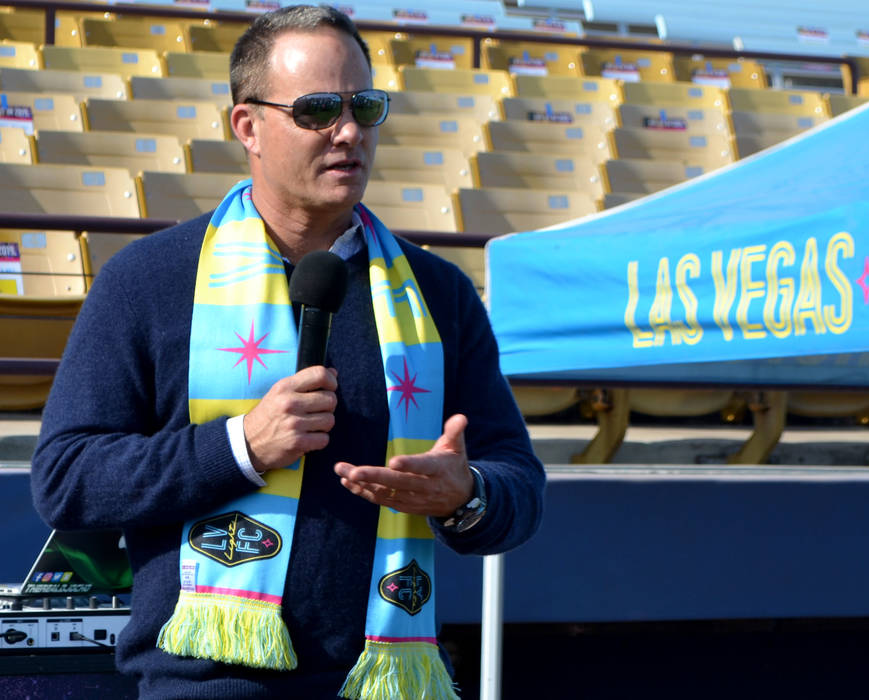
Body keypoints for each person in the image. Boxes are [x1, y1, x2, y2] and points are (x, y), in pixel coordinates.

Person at [30, 5, 545, 699]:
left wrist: (465, 496)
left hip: (390, 679)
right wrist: (240, 446)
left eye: (364, 106)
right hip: (206, 683)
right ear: (248, 126)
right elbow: (66, 478)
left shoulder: (438, 292)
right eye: (317, 110)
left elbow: (518, 486)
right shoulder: (148, 280)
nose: (349, 132)